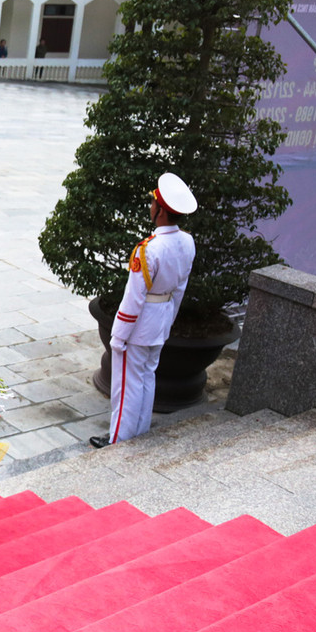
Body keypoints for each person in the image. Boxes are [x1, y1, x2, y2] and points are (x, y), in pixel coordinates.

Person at [91, 173, 198, 449]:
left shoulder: (148, 249)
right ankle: (139, 431)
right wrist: (167, 321)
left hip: (140, 325)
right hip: (161, 320)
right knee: (147, 377)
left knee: (127, 384)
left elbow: (134, 298)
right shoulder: (187, 242)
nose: (150, 207)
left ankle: (118, 438)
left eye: (153, 203)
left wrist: (119, 335)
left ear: (160, 211)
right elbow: (179, 289)